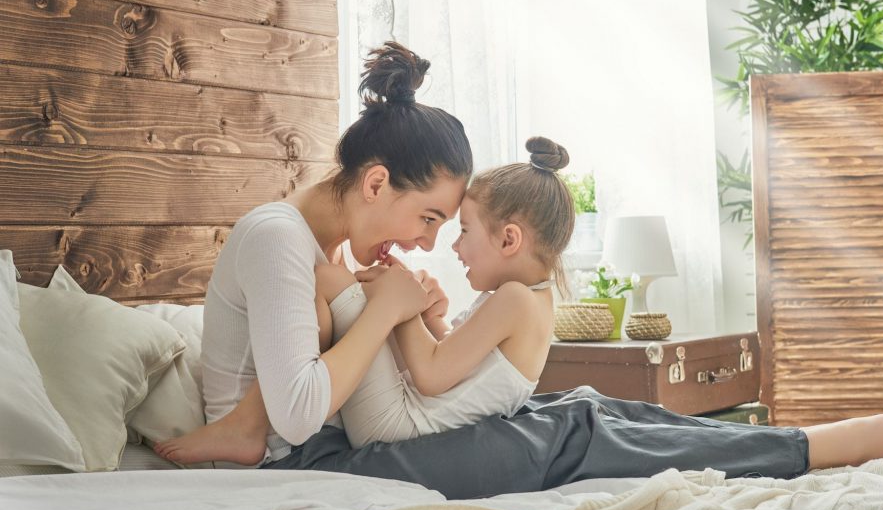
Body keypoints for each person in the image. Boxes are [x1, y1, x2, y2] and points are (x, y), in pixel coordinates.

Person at [157, 40, 883, 498]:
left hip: (341, 438)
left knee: (585, 413)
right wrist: (387, 306)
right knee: (579, 427)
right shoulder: (281, 240)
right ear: (376, 182)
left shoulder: (319, 249)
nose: (425, 241)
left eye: (449, 226)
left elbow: (352, 371)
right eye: (429, 218)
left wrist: (393, 304)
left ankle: (814, 441)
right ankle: (816, 445)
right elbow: (302, 411)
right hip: (315, 453)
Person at [160, 136, 576, 458]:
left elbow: (431, 377)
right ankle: (248, 422)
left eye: (462, 231)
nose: (448, 247)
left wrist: (402, 309)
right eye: (430, 220)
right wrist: (428, 318)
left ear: (509, 239)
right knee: (341, 285)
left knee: (329, 280)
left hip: (397, 424)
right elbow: (461, 371)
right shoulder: (529, 302)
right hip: (407, 417)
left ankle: (248, 423)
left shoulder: (516, 301)